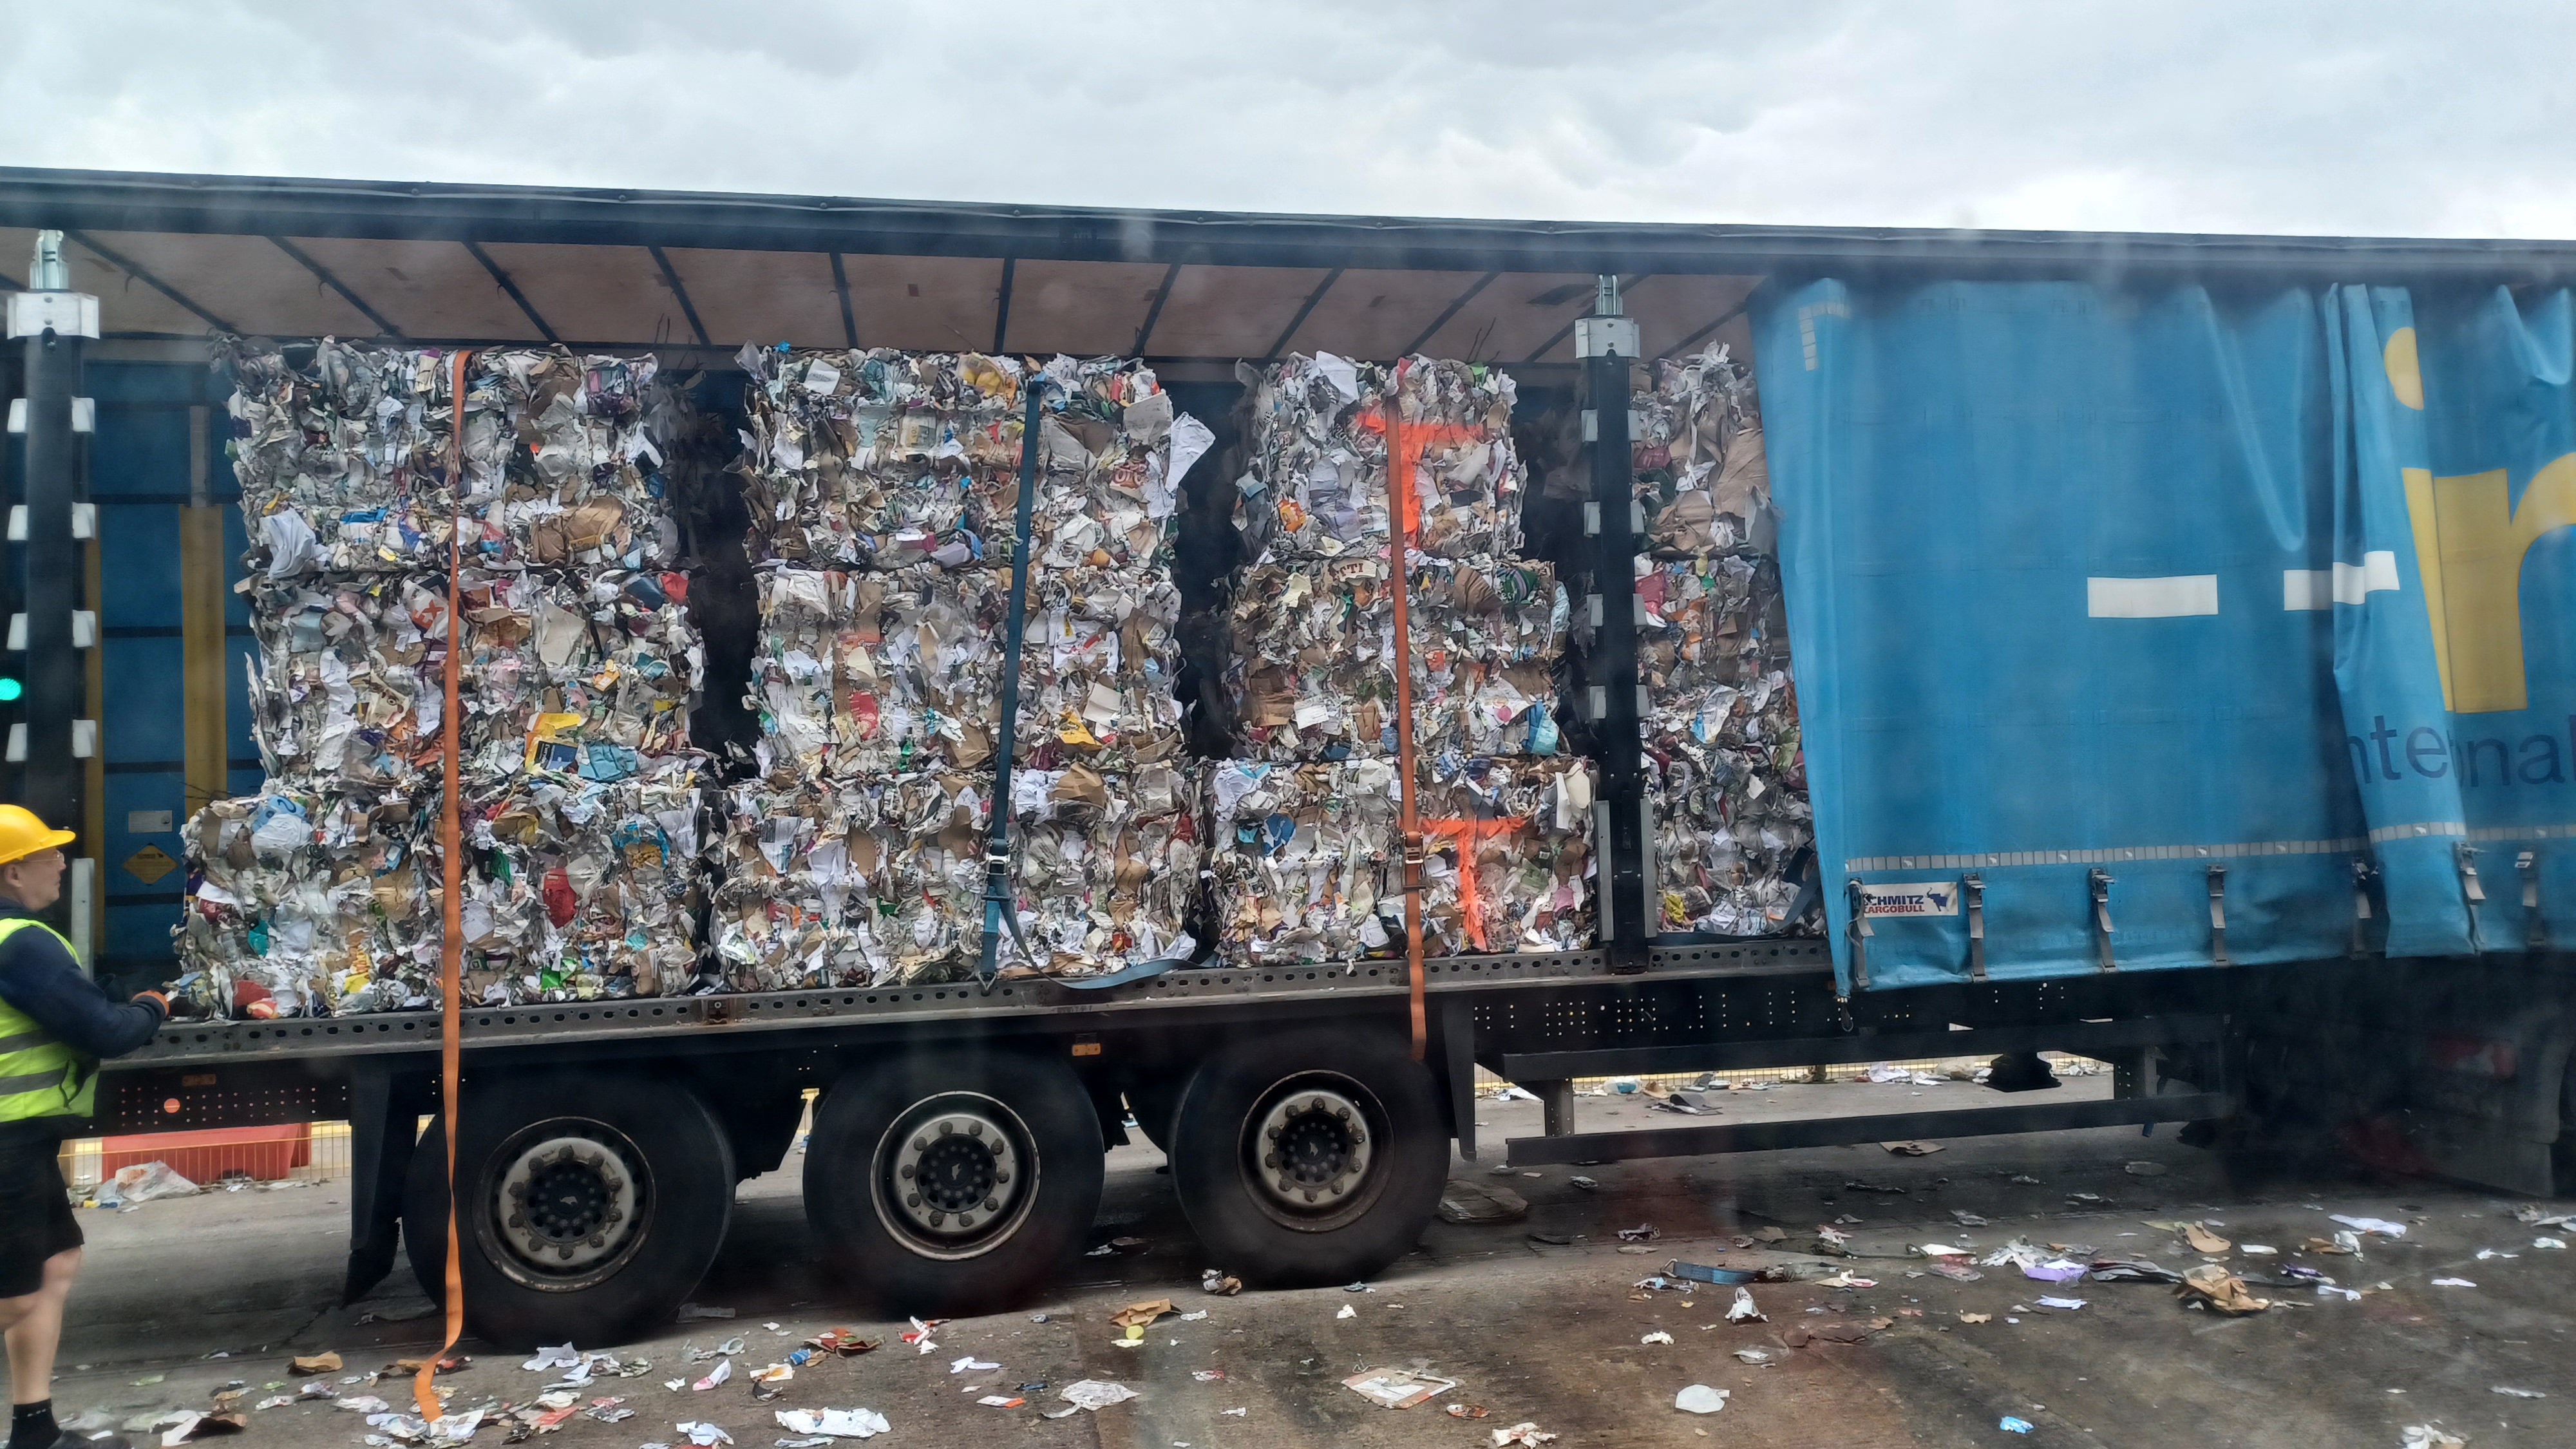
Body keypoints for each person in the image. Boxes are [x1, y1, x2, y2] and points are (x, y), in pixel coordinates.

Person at [0, 807, 167, 1449]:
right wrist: (151, 1007)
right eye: (48, 854)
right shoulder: (19, 942)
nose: (61, 864)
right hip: (7, 1143)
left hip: (24, 1139)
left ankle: (34, 1432)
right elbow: (103, 1031)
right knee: (14, 1297)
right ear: (14, 873)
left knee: (55, 1263)